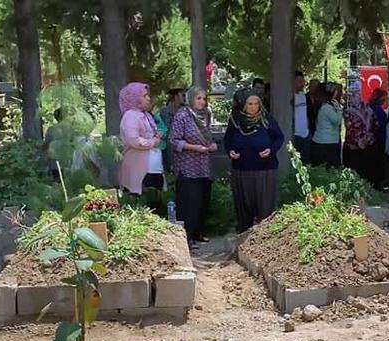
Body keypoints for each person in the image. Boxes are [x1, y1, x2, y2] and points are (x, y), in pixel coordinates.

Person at [224, 89, 284, 233]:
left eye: (256, 104)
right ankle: (244, 236)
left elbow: (279, 138)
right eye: (250, 104)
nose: (253, 107)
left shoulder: (267, 119)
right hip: (241, 169)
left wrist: (270, 149)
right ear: (243, 105)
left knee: (264, 207)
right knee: (244, 205)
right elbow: (228, 140)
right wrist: (230, 151)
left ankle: (264, 237)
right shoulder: (235, 120)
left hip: (264, 169)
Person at [170, 87, 217, 246]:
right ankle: (186, 237)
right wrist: (194, 147)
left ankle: (197, 233)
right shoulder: (182, 115)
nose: (202, 102)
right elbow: (174, 140)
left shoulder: (206, 115)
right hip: (188, 167)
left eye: (204, 99)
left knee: (202, 201)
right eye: (198, 98)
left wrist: (212, 145)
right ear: (190, 99)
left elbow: (207, 137)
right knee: (189, 202)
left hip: (203, 166)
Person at [118, 82, 166, 197]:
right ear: (134, 99)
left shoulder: (146, 115)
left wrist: (157, 136)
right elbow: (134, 140)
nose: (148, 99)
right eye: (144, 96)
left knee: (155, 201)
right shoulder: (131, 115)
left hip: (153, 167)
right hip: (139, 169)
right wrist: (153, 142)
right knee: (143, 201)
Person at [342, 81, 375, 175]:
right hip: (353, 147)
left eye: (354, 94)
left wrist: (366, 138)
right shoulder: (348, 111)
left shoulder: (368, 109)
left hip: (366, 146)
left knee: (364, 173)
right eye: (350, 95)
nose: (352, 97)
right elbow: (349, 128)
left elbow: (375, 125)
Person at [311, 82, 343, 168]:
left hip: (321, 141)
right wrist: (339, 109)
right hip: (328, 142)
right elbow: (337, 121)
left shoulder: (322, 105)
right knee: (329, 169)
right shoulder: (327, 107)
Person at [367, 88, 389, 189]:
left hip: (371, 140)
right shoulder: (378, 111)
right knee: (378, 164)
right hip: (378, 140)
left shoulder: (369, 108)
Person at [293, 71, 311, 163]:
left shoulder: (303, 96)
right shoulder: (289, 96)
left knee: (305, 162)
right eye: (299, 81)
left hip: (305, 134)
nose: (302, 84)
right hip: (295, 135)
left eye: (303, 81)